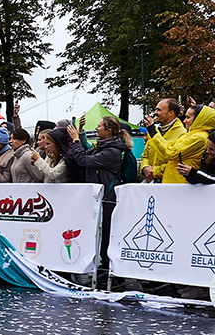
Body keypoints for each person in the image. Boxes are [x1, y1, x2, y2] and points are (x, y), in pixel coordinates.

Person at [66, 116, 132, 271]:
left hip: (108, 199)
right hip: (99, 199)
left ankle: (112, 271)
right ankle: (104, 268)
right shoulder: (103, 147)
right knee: (100, 235)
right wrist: (80, 134)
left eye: (99, 125)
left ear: (108, 130)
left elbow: (84, 160)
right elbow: (84, 153)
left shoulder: (112, 151)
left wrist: (76, 141)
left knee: (107, 234)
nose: (96, 128)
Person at [145, 104, 215, 184]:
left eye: (188, 117)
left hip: (182, 185)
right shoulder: (191, 134)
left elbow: (170, 153)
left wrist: (153, 131)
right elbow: (168, 145)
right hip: (175, 182)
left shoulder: (199, 138)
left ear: (199, 119)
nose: (184, 121)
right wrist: (152, 133)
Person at [141, 98, 185, 182]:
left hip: (169, 183)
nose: (155, 113)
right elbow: (145, 155)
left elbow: (176, 162)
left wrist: (154, 171)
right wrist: (144, 168)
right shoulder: (154, 131)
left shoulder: (182, 134)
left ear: (170, 113)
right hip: (151, 181)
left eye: (159, 110)